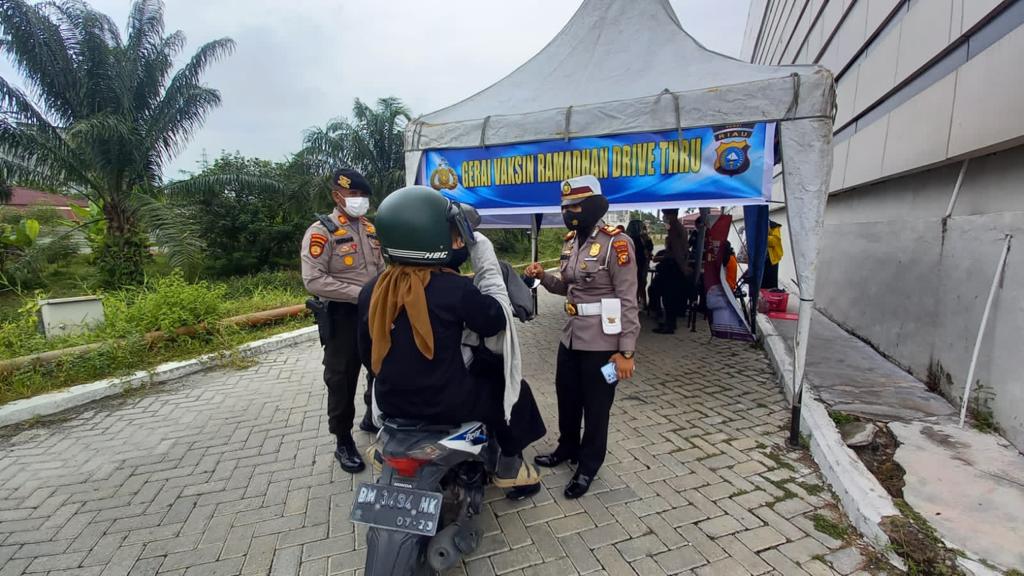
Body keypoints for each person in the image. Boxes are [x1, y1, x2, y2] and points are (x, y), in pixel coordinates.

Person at [358, 185, 544, 490]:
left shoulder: (372, 290)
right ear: (431, 235)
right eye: (449, 231)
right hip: (447, 404)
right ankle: (509, 466)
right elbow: (495, 319)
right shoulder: (454, 289)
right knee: (514, 390)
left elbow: (366, 355)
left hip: (390, 402)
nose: (455, 238)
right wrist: (484, 258)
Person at [525, 175, 639, 499]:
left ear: (591, 206)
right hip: (571, 337)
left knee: (597, 406)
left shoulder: (616, 243)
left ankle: (588, 465)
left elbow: (629, 300)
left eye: (574, 206)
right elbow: (566, 286)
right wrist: (543, 276)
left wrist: (626, 353)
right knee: (567, 396)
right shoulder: (571, 241)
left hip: (603, 344)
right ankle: (567, 447)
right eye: (564, 207)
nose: (568, 212)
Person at [300, 168, 385, 473]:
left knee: (378, 367)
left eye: (363, 196)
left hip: (373, 312)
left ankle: (371, 416)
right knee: (341, 378)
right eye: (354, 195)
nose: (360, 201)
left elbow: (380, 269)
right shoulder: (321, 232)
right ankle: (343, 440)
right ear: (337, 196)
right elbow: (313, 280)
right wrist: (361, 293)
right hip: (343, 316)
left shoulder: (370, 229)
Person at [652, 208, 689, 334]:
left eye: (665, 214)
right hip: (675, 265)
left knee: (669, 297)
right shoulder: (680, 227)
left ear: (671, 214)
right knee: (669, 296)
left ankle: (670, 324)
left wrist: (682, 267)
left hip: (673, 266)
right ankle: (669, 322)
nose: (664, 217)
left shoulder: (674, 229)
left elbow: (677, 251)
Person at [626, 220, 650, 311]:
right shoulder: (637, 240)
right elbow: (642, 255)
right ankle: (636, 303)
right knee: (639, 285)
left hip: (632, 266)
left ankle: (636, 303)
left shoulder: (627, 238)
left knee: (636, 285)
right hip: (637, 266)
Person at [763, 220, 784, 290]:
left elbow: (775, 241)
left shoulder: (774, 227)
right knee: (762, 283)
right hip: (761, 260)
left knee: (771, 283)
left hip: (772, 260)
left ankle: (772, 298)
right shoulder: (757, 228)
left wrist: (762, 236)